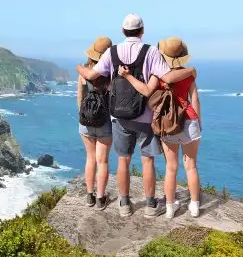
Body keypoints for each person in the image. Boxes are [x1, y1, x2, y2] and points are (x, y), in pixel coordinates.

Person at [76, 14, 196, 218]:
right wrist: (191, 71)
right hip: (146, 116)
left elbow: (90, 75)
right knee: (147, 160)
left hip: (119, 117)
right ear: (142, 31)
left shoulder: (112, 52)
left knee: (123, 160)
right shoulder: (151, 51)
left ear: (123, 31)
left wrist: (78, 67)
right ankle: (150, 205)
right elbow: (167, 77)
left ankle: (124, 203)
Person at [118, 37, 202, 218]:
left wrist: (127, 76)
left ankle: (170, 208)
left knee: (171, 167)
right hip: (189, 121)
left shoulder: (158, 75)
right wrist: (199, 122)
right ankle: (194, 206)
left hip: (167, 124)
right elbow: (194, 100)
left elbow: (147, 92)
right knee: (191, 167)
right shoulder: (189, 75)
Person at [77, 37, 113, 211]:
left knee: (90, 158)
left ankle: (89, 196)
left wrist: (83, 115)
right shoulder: (110, 73)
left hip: (85, 121)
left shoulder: (83, 72)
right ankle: (100, 198)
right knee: (103, 161)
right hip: (105, 122)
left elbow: (80, 98)